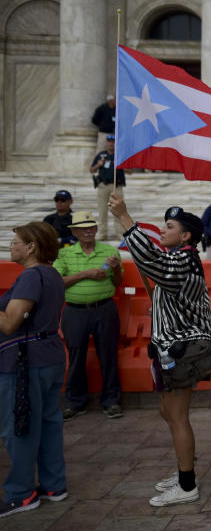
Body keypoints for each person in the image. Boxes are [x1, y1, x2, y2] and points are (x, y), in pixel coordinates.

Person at [108, 196, 211, 507]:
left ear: (185, 236)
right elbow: (160, 273)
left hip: (181, 352)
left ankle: (187, 484)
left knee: (177, 417)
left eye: (169, 227)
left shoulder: (184, 260)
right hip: (169, 350)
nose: (162, 229)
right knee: (169, 414)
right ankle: (184, 469)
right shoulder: (180, 258)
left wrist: (125, 217)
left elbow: (152, 261)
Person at [0, 222, 67, 518]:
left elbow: (9, 323)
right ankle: (54, 485)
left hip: (25, 362)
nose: (11, 245)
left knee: (21, 426)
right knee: (50, 423)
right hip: (49, 354)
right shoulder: (51, 274)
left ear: (31, 247)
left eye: (16, 241)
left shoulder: (30, 276)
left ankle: (21, 492)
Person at [52, 211, 124, 420]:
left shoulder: (110, 251)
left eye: (91, 227)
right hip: (75, 311)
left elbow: (118, 282)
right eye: (83, 228)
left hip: (105, 309)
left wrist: (117, 268)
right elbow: (57, 282)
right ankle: (75, 402)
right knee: (75, 357)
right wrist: (85, 274)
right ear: (73, 232)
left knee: (109, 355)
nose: (88, 231)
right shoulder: (64, 254)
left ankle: (111, 401)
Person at [90, 135, 125, 239]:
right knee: (102, 210)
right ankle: (102, 233)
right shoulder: (101, 155)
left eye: (113, 141)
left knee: (118, 210)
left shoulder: (120, 155)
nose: (111, 143)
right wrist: (98, 165)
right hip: (103, 186)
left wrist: (121, 164)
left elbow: (130, 171)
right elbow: (91, 170)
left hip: (116, 186)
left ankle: (120, 233)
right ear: (106, 142)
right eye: (109, 141)